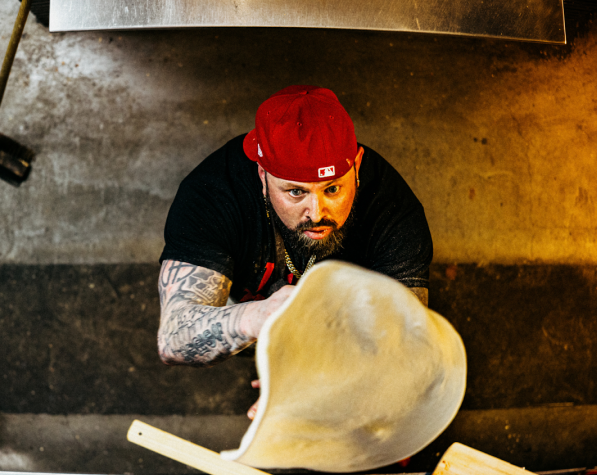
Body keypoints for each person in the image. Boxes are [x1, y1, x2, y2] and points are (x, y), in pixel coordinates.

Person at [157, 85, 433, 370]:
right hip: (244, 322)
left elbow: (405, 342)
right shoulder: (214, 194)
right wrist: (259, 317)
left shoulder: (394, 210)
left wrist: (304, 387)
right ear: (262, 175)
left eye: (333, 189)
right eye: (295, 192)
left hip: (345, 340)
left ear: (357, 166)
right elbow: (173, 337)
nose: (317, 214)